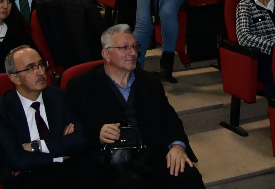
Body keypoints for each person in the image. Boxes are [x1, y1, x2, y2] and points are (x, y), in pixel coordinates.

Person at [67, 25, 202, 189]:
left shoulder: (150, 81)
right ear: (106, 55)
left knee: (189, 177)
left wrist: (177, 146)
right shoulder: (81, 86)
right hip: (107, 161)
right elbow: (72, 129)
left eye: (134, 47)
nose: (132, 53)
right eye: (124, 48)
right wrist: (97, 133)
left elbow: (169, 118)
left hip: (150, 155)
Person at [0, 43, 88, 189]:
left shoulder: (58, 96)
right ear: (15, 78)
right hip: (28, 178)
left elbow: (80, 140)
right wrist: (58, 155)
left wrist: (36, 146)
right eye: (31, 68)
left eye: (41, 65)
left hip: (68, 172)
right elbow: (15, 160)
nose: (41, 72)